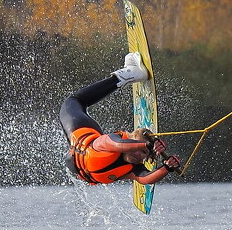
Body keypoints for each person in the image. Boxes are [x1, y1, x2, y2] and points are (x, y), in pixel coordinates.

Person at [60, 52, 182, 185]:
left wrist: (167, 167)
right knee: (73, 101)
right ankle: (127, 75)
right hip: (82, 131)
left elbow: (145, 178)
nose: (138, 153)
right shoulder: (107, 142)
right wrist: (147, 145)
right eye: (137, 147)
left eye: (144, 153)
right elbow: (118, 145)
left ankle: (128, 73)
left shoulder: (132, 168)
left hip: (80, 164)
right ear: (129, 137)